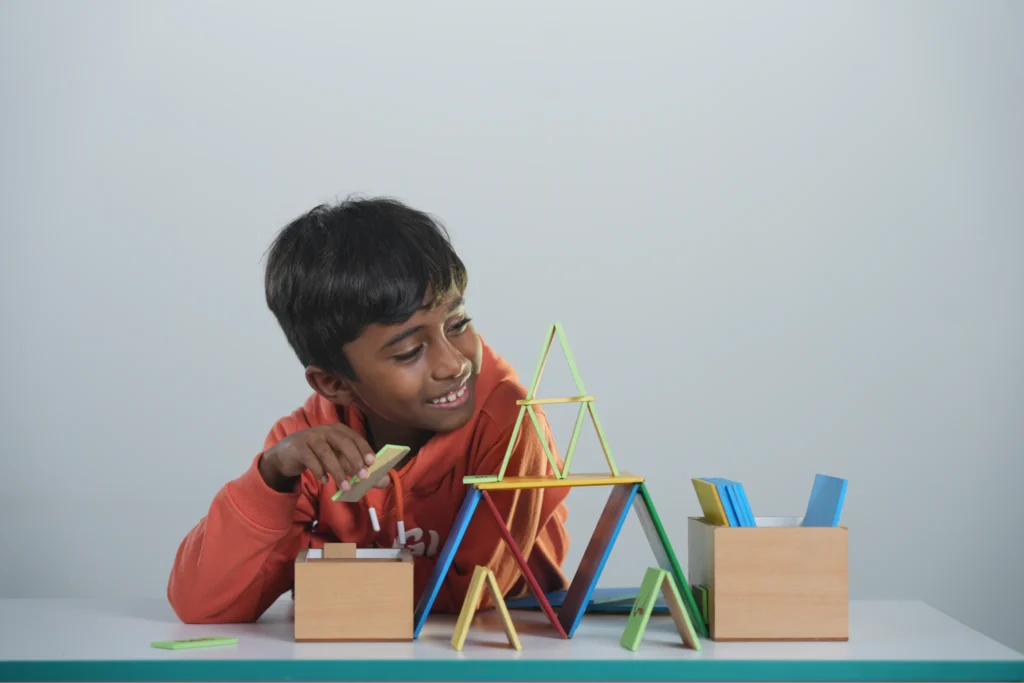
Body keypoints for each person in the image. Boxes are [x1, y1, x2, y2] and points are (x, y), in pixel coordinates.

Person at [166, 196, 571, 623]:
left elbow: (474, 593)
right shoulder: (308, 449)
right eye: (411, 351)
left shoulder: (509, 423)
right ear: (334, 383)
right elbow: (202, 603)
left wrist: (321, 578)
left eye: (458, 323)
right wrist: (271, 474)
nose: (454, 364)